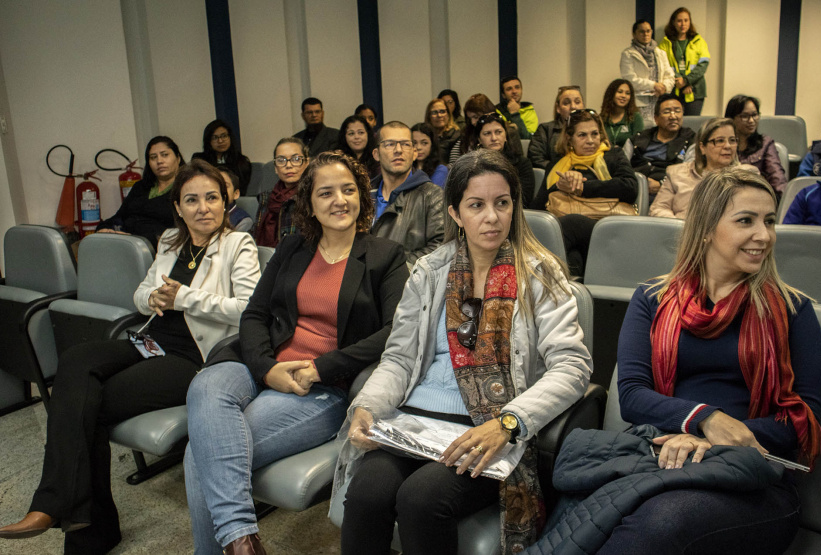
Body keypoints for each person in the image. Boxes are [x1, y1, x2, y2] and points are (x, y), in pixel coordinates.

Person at [335, 148, 593, 555]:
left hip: (488, 427)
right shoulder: (430, 271)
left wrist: (509, 422)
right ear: (455, 213)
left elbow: (573, 366)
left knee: (421, 499)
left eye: (502, 203)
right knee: (367, 493)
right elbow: (400, 358)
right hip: (415, 424)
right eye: (476, 205)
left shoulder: (541, 273)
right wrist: (368, 407)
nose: (492, 216)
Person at [0, 160, 261, 554]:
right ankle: (63, 510)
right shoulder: (171, 241)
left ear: (226, 202)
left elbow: (248, 308)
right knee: (76, 361)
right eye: (192, 200)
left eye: (212, 198)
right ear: (178, 206)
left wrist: (183, 297)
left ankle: (73, 519)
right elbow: (140, 293)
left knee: (88, 406)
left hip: (194, 357)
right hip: (150, 340)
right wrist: (152, 297)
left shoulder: (238, 244)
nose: (203, 207)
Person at [183, 152, 409, 555]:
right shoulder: (293, 248)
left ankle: (232, 546)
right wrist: (267, 369)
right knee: (205, 385)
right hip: (260, 363)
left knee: (199, 452)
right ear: (309, 204)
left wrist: (321, 367)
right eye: (326, 193)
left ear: (362, 197)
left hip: (322, 384)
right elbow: (254, 313)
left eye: (348, 190)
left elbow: (395, 332)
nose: (339, 200)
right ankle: (240, 538)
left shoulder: (384, 256)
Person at [603, 167, 821, 553]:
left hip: (755, 478)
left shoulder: (793, 309)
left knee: (662, 522)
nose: (764, 235)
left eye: (769, 221)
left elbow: (802, 418)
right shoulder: (652, 299)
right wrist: (706, 419)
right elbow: (632, 396)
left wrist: (714, 441)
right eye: (746, 221)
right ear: (706, 228)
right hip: (663, 457)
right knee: (599, 516)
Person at [531, 109, 638, 275]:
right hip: (572, 238)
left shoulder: (613, 155)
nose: (590, 141)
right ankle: (573, 293)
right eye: (582, 135)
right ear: (569, 138)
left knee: (571, 223)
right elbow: (538, 207)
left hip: (609, 228)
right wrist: (561, 185)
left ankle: (533, 277)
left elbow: (630, 188)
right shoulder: (557, 164)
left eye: (595, 134)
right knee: (573, 258)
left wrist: (583, 187)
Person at [651, 117, 758, 219]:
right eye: (720, 141)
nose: (728, 146)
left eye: (732, 140)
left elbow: (756, 211)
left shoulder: (747, 175)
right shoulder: (676, 173)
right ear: (702, 147)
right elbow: (658, 209)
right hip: (683, 233)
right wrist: (680, 226)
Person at [371, 121, 445, 265]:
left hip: (410, 282)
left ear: (414, 153)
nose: (398, 150)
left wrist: (391, 270)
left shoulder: (432, 196)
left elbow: (441, 248)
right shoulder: (364, 196)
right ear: (376, 154)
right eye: (389, 144)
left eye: (405, 144)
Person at [96, 136, 185, 246]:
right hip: (130, 245)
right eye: (153, 157)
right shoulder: (140, 186)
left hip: (164, 248)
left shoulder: (185, 188)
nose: (159, 161)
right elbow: (120, 216)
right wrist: (104, 228)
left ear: (178, 158)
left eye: (165, 155)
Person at [630, 94, 696, 198]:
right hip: (636, 188)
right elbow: (623, 167)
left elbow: (689, 175)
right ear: (656, 118)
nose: (673, 116)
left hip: (673, 193)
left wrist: (661, 185)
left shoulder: (691, 140)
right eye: (667, 112)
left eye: (677, 111)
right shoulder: (639, 138)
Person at [468, 112, 536, 207]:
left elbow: (524, 200)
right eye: (487, 134)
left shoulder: (522, 163)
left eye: (498, 132)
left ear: (505, 136)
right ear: (479, 139)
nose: (494, 138)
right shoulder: (471, 165)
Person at [724, 95, 788, 193]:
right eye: (745, 116)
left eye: (754, 115)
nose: (751, 121)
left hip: (758, 198)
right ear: (731, 118)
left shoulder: (765, 143)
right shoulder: (724, 145)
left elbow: (777, 179)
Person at [253, 138, 309, 247]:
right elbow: (255, 234)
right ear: (275, 168)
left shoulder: (312, 196)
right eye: (281, 160)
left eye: (296, 159)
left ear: (306, 163)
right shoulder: (266, 198)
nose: (288, 165)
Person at [620, 19, 675, 123]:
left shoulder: (660, 53)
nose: (645, 34)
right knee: (642, 132)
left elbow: (670, 76)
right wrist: (653, 85)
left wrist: (664, 87)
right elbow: (630, 79)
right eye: (642, 31)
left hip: (660, 100)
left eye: (648, 31)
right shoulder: (628, 54)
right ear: (634, 34)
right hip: (640, 102)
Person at [659, 7, 710, 116]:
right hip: (674, 89)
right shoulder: (666, 43)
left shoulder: (699, 41)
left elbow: (703, 65)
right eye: (679, 21)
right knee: (673, 124)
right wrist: (681, 82)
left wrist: (687, 81)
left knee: (691, 126)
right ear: (673, 23)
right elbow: (664, 66)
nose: (683, 24)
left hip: (695, 90)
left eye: (686, 20)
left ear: (690, 22)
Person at [450, 93, 524, 164]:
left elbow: (518, 160)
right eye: (470, 118)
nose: (473, 122)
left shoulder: (510, 132)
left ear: (488, 114)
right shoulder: (467, 133)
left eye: (476, 117)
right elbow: (455, 163)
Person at [528, 85, 585, 170]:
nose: (573, 106)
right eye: (566, 103)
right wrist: (563, 170)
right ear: (558, 108)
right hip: (556, 176)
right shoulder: (545, 129)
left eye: (577, 102)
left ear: (583, 106)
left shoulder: (592, 129)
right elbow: (536, 158)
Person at [192, 119, 252, 194]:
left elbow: (242, 189)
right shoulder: (200, 160)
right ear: (208, 141)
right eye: (215, 137)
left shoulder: (241, 161)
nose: (220, 141)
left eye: (224, 136)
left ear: (230, 137)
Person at [600, 79, 645, 148]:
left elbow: (640, 144)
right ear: (611, 94)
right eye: (620, 92)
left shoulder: (635, 117)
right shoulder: (601, 118)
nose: (623, 96)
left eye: (627, 93)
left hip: (628, 157)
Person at [338, 114, 380, 179]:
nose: (356, 137)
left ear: (368, 134)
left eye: (361, 133)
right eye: (351, 133)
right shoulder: (338, 160)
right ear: (344, 137)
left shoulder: (378, 159)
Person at [412, 122, 449, 187]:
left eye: (424, 143)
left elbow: (431, 195)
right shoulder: (405, 167)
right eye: (414, 143)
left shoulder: (440, 169)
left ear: (432, 145)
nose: (418, 148)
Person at [425, 97, 462, 163]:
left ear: (448, 114)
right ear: (429, 116)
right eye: (434, 112)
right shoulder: (424, 135)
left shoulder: (457, 136)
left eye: (442, 111)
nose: (439, 115)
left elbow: (455, 164)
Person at [218, 167, 253, 233]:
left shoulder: (242, 220)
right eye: (215, 185)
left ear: (236, 194)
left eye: (225, 186)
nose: (219, 190)